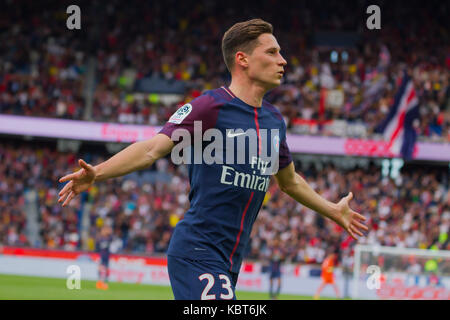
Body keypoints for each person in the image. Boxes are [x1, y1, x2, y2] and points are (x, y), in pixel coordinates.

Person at [58, 19, 368, 300]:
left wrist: (331, 209)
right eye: (272, 52)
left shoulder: (275, 122)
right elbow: (153, 148)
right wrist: (96, 172)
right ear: (242, 59)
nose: (282, 60)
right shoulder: (210, 107)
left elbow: (289, 182)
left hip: (230, 260)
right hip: (197, 250)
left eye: (280, 53)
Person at [96, 225, 112, 290]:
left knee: (105, 269)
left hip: (106, 256)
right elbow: (97, 248)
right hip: (101, 255)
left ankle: (103, 283)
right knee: (102, 269)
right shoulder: (100, 238)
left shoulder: (109, 238)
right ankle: (100, 283)